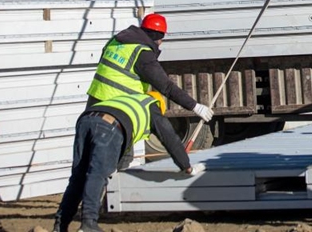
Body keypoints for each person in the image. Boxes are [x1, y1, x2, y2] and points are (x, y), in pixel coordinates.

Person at [53, 91, 204, 232]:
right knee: (97, 174)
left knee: (78, 177)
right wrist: (186, 166)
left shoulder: (130, 101)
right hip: (109, 125)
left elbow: (123, 152)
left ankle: (60, 225)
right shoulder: (151, 106)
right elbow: (169, 138)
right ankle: (88, 224)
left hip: (86, 119)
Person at [86, 13, 213, 124]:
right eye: (162, 38)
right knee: (120, 148)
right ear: (157, 37)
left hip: (94, 100)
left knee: (88, 142)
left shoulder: (116, 40)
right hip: (118, 106)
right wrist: (195, 107)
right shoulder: (143, 54)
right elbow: (166, 87)